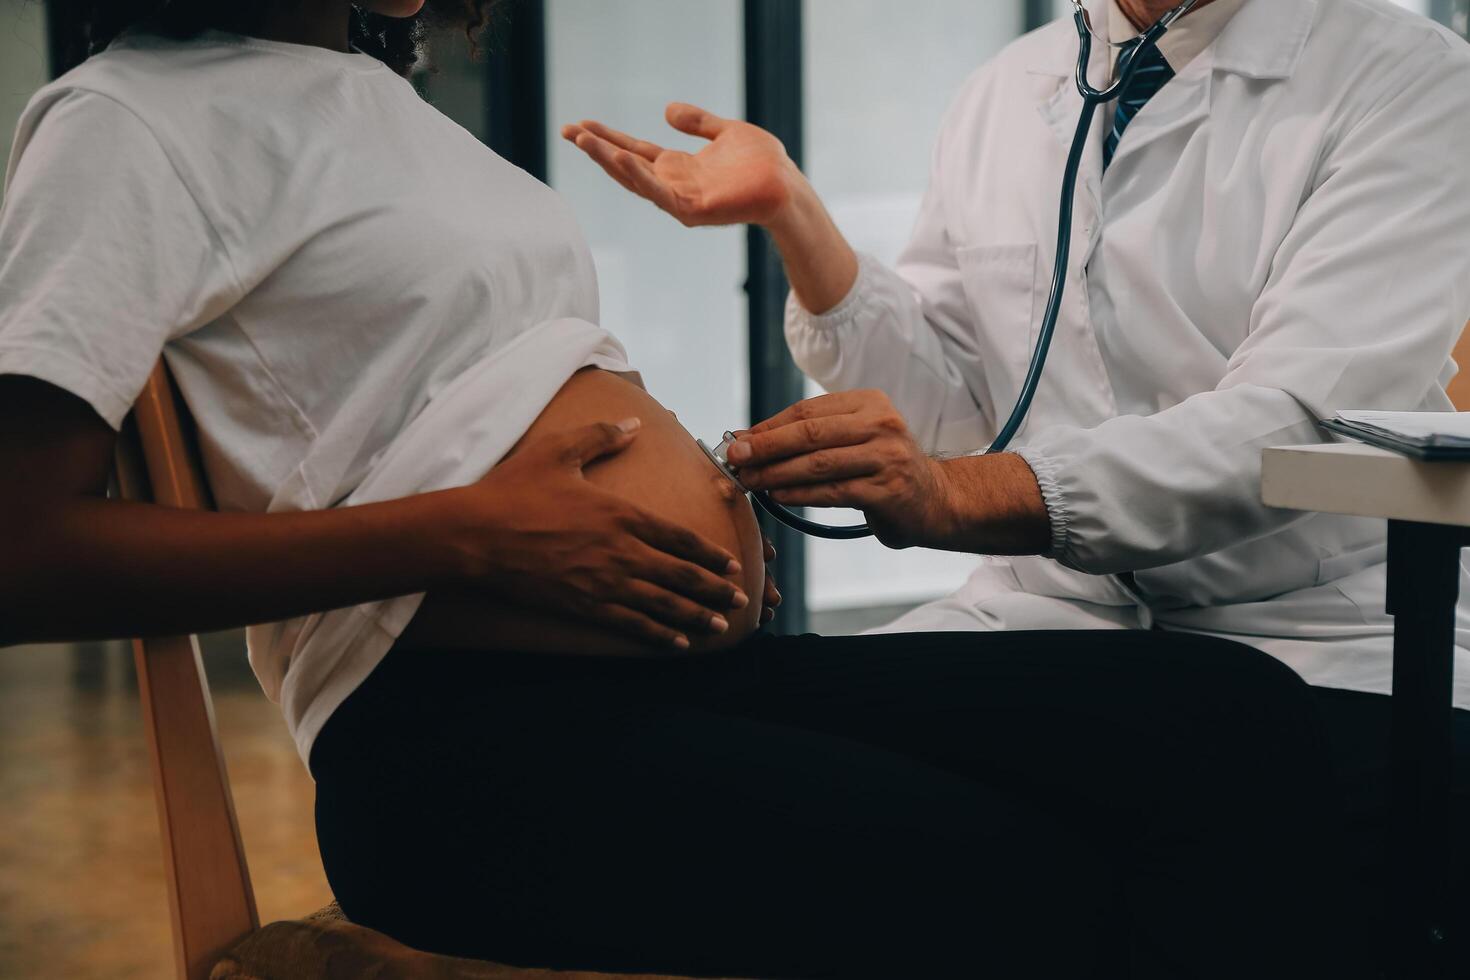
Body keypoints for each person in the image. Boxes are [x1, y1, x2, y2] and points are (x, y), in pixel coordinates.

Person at [0, 2, 1360, 977]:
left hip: (676, 685)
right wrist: (469, 537)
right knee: (1026, 879)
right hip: (464, 759)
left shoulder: (380, 109)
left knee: (1227, 716)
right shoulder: (126, 120)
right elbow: (22, 552)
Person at [566, 0, 1470, 963]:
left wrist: (951, 495)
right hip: (1041, 625)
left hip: (1312, 642)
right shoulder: (1008, 89)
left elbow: (1294, 420)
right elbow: (962, 412)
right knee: (713, 761)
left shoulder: (1409, 78)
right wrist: (796, 215)